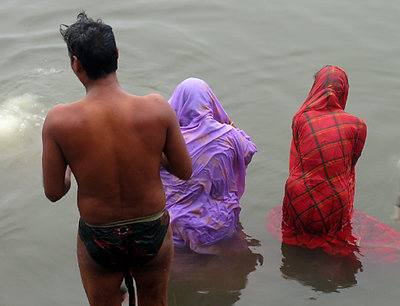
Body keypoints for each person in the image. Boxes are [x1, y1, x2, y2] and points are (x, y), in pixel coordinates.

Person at [42, 12, 192, 306]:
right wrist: (153, 153)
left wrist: (71, 168)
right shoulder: (157, 109)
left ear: (76, 63)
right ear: (117, 54)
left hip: (100, 237)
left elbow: (54, 192)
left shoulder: (59, 121)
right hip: (151, 229)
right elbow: (185, 171)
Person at [268, 65, 367, 256]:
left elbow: (298, 156)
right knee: (332, 252)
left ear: (316, 87)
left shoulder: (301, 118)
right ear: (344, 91)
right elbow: (350, 164)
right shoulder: (358, 125)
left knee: (292, 250)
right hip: (333, 199)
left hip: (297, 194)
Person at [160, 78, 257, 254]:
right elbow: (247, 153)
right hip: (218, 225)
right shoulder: (229, 136)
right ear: (211, 102)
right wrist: (229, 125)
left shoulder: (163, 139)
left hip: (173, 227)